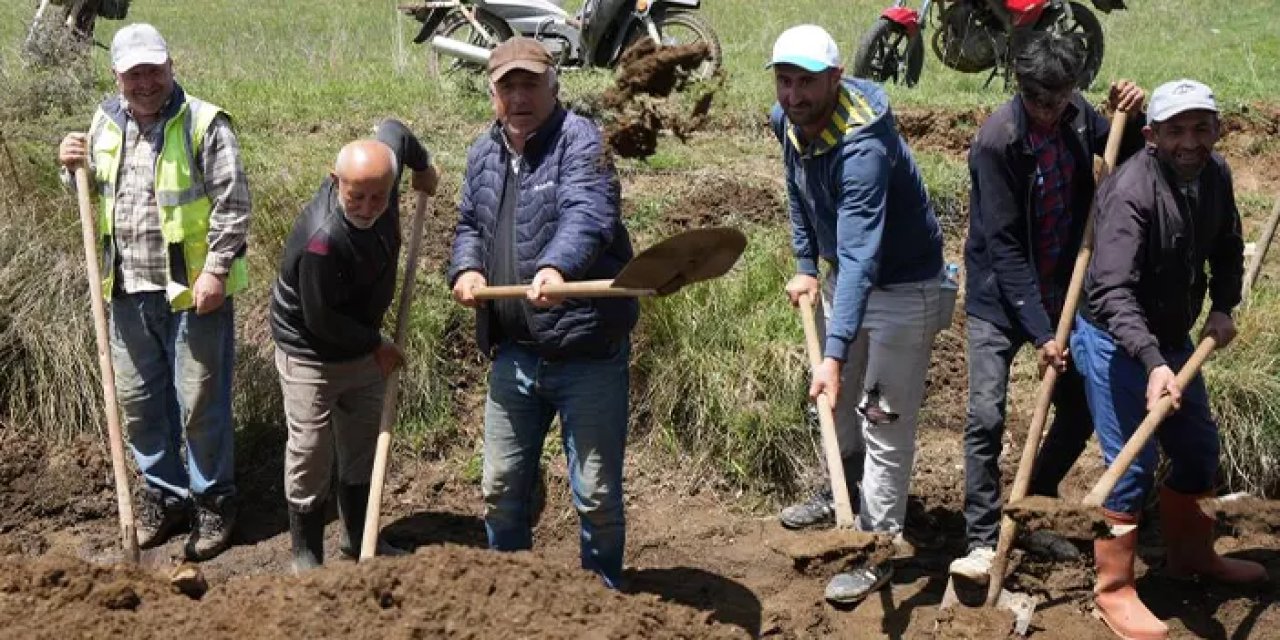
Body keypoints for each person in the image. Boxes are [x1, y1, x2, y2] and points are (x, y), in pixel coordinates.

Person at [1073, 79, 1269, 640]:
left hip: (1173, 334)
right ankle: (1113, 590)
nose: (1191, 142)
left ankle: (1191, 555)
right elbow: (1112, 293)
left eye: (1201, 127)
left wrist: (1224, 305)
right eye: (1176, 130)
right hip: (1115, 338)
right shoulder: (1132, 191)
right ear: (1152, 136)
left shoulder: (1217, 174)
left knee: (1198, 447)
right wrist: (1153, 361)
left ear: (1217, 129)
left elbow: (1228, 242)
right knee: (1129, 466)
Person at [950, 31, 1147, 582]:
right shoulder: (998, 142)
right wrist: (1043, 335)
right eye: (1037, 99)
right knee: (986, 416)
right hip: (1000, 294)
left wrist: (1135, 110)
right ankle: (984, 541)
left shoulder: (1078, 116)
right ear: (1021, 87)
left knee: (1081, 404)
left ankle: (1035, 501)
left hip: (1064, 286)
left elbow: (1128, 150)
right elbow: (1006, 247)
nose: (1046, 110)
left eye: (1057, 99)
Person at [449, 37, 637, 589]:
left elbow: (590, 213)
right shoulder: (484, 152)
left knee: (596, 493)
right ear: (493, 94)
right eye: (508, 85)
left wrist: (557, 267)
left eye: (529, 83)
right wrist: (465, 270)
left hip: (587, 352)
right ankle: (512, 594)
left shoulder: (583, 142)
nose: (519, 96)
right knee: (502, 487)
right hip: (515, 354)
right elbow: (467, 225)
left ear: (553, 87)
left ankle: (602, 595)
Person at [57, 23, 249, 561]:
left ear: (170, 66)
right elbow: (91, 187)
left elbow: (233, 209)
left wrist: (214, 271)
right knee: (140, 403)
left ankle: (213, 501)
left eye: (153, 70)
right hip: (126, 289)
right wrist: (71, 165)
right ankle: (164, 498)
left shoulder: (205, 123)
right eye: (133, 73)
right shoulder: (104, 120)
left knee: (199, 403)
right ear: (116, 75)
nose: (145, 82)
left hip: (192, 293)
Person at [767, 24, 944, 604]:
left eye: (807, 84)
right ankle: (840, 486)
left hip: (904, 285)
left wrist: (836, 353)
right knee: (838, 407)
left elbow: (864, 255)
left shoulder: (863, 148)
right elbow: (797, 188)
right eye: (784, 81)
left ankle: (878, 548)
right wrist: (805, 264)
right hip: (847, 272)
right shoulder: (786, 121)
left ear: (836, 81)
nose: (794, 96)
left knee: (883, 418)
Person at [270, 121, 438, 572]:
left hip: (364, 343)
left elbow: (397, 133)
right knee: (310, 451)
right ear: (334, 182)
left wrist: (424, 167)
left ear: (391, 183)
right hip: (310, 351)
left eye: (378, 197)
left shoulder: (386, 176)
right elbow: (321, 320)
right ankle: (306, 556)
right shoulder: (321, 241)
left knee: (362, 442)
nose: (367, 208)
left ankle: (359, 539)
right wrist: (375, 344)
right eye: (355, 197)